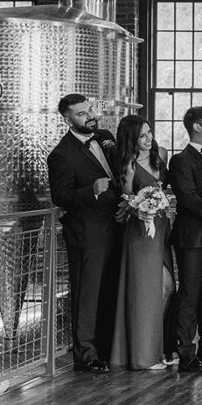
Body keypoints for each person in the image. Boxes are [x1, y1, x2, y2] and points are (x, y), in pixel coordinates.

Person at [47, 94, 122, 373]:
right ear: (67, 120)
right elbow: (61, 196)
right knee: (87, 296)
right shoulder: (61, 155)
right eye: (81, 114)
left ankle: (106, 349)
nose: (89, 116)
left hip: (116, 227)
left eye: (89, 110)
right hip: (87, 234)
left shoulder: (104, 136)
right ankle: (86, 356)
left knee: (109, 291)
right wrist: (91, 190)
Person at [109, 115, 174, 371]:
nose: (149, 139)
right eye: (143, 136)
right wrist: (140, 208)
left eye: (150, 133)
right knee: (146, 291)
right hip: (140, 232)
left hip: (161, 229)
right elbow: (126, 199)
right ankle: (143, 354)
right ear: (131, 139)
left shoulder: (161, 156)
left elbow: (166, 190)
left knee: (168, 287)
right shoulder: (128, 164)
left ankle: (158, 346)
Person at [168, 105, 202, 373]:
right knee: (190, 294)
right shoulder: (179, 161)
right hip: (193, 237)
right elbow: (188, 198)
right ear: (197, 126)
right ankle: (186, 352)